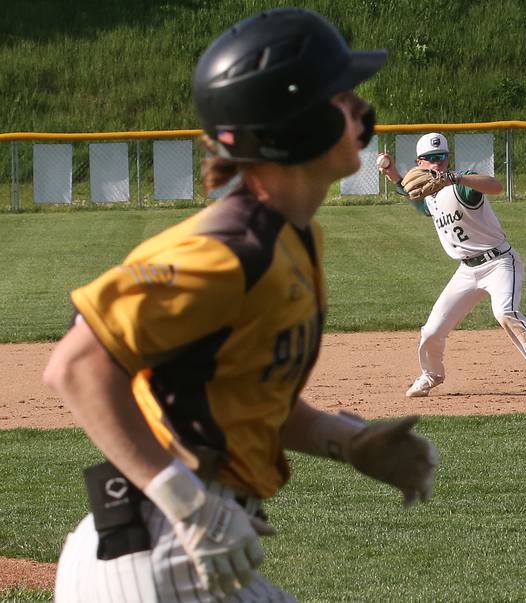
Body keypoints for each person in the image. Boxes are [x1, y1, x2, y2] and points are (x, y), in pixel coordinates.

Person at [43, 9, 438, 602]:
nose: (362, 111)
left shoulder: (290, 237)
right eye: (340, 97)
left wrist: (345, 440)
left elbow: (247, 394)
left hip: (174, 544)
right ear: (294, 125)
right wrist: (189, 502)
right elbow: (76, 365)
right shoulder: (227, 249)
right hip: (161, 545)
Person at [378, 132, 526, 400]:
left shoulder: (461, 184)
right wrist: (392, 173)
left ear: (448, 159)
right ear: (419, 162)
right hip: (467, 272)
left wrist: (455, 177)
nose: (437, 164)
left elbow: (494, 186)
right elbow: (414, 194)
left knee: (506, 312)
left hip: (500, 263)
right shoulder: (430, 196)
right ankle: (432, 374)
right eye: (430, 159)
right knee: (432, 330)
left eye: (441, 158)